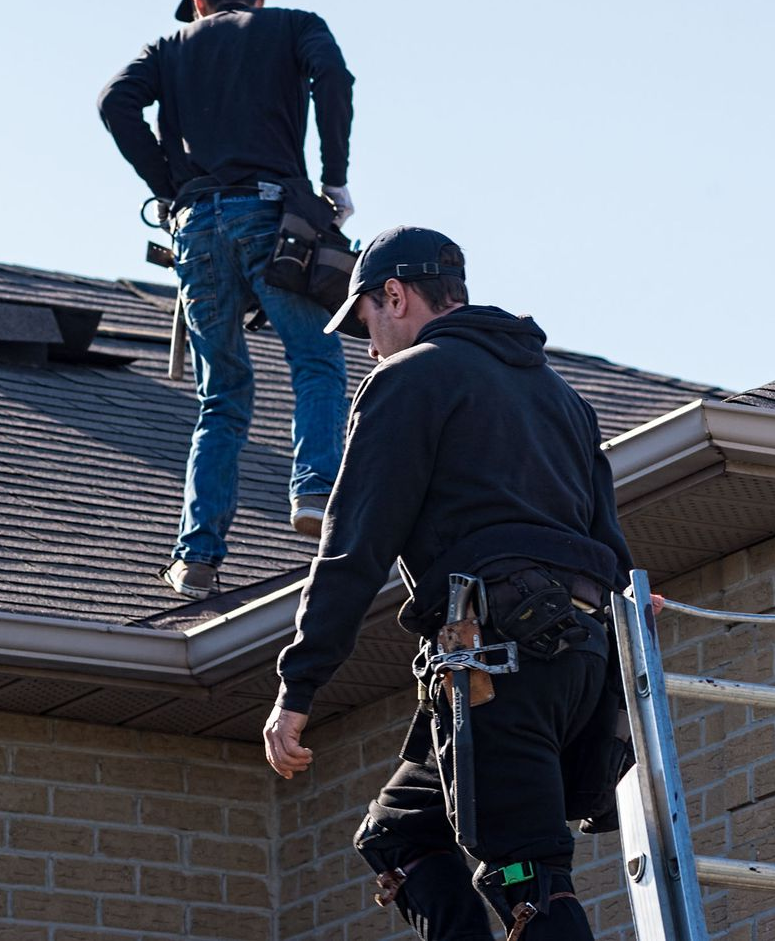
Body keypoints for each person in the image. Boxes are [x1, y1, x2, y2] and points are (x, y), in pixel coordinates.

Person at [262, 226, 632, 940]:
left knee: (528, 879)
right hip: (575, 661)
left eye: (366, 321)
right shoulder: (563, 400)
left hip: (497, 662)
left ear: (393, 295)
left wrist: (297, 689)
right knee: (400, 834)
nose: (368, 346)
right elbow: (612, 554)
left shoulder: (407, 381)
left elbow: (352, 550)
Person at [99, 0, 357, 600]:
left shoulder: (169, 48)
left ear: (200, 3)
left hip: (197, 229)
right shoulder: (293, 25)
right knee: (317, 360)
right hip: (272, 218)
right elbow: (334, 78)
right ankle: (316, 492)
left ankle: (197, 559)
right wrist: (333, 178)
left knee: (222, 396)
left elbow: (114, 104)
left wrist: (170, 184)